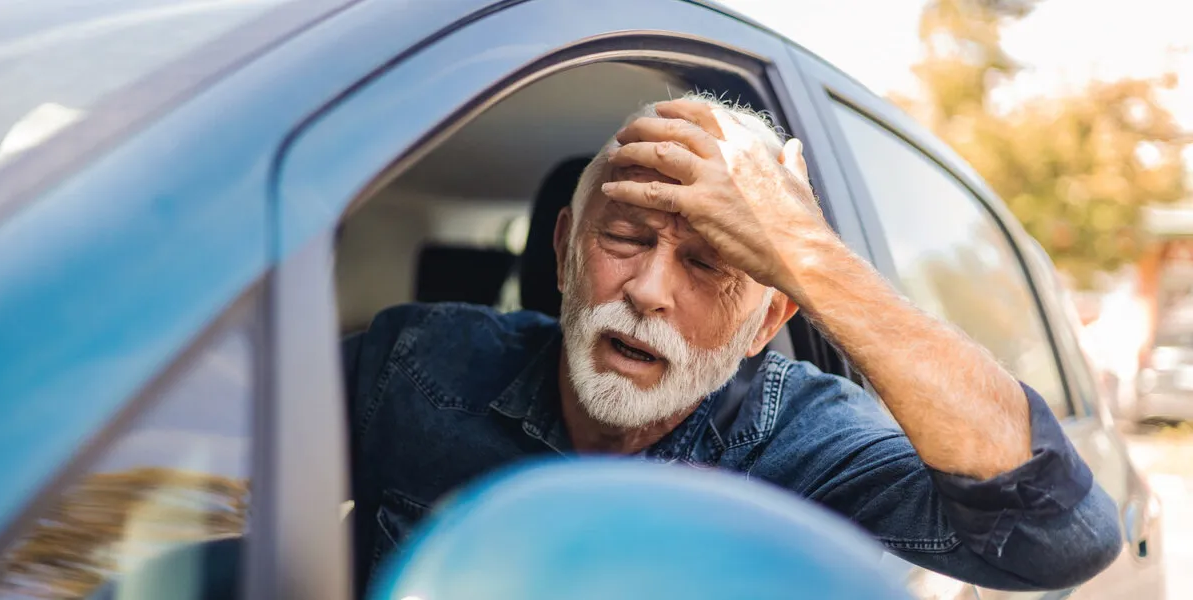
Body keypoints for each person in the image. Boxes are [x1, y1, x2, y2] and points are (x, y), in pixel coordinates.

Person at [342, 95, 1120, 595]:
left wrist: (808, 253)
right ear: (563, 251)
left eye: (708, 263)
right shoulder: (418, 363)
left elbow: (1058, 537)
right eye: (624, 238)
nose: (648, 290)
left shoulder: (809, 443)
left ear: (769, 320)